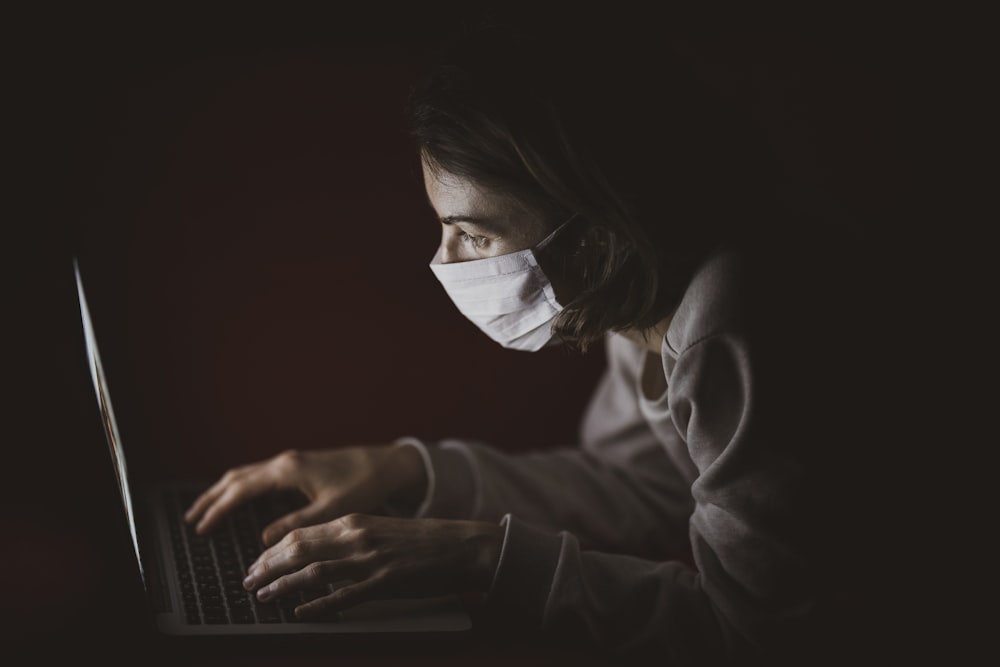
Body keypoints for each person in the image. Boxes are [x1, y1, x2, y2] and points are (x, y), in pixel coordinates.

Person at [184, 12, 895, 664]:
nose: (446, 261)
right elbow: (645, 489)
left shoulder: (734, 324)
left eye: (472, 231)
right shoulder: (639, 296)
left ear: (595, 228)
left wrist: (482, 558)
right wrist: (408, 470)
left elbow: (753, 637)